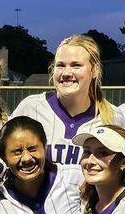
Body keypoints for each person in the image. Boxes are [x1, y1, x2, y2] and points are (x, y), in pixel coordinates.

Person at [10, 34, 117, 169]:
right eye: (60, 65)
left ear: (94, 70)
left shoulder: (113, 117)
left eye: (76, 65)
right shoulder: (31, 108)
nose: (66, 73)